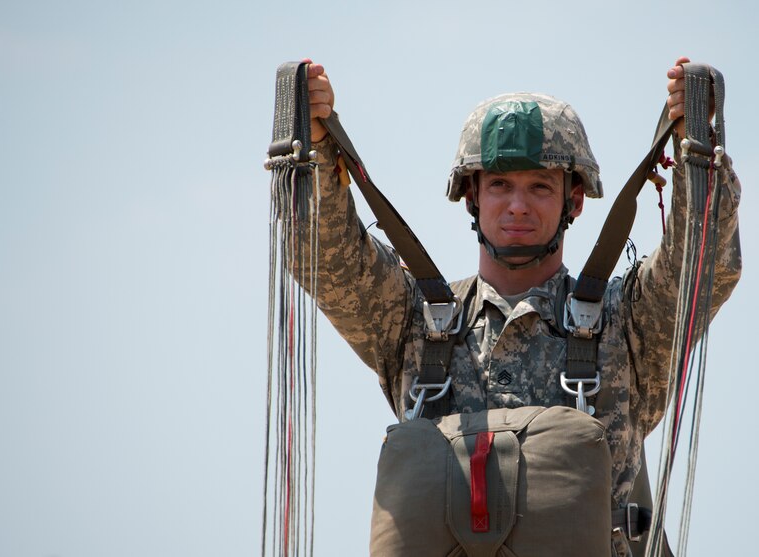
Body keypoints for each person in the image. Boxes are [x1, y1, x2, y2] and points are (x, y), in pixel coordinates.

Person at [299, 57, 741, 555]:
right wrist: (314, 146)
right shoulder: (413, 322)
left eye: (539, 186)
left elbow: (703, 265)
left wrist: (697, 152)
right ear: (472, 196)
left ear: (574, 201)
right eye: (500, 185)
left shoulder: (626, 326)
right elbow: (323, 254)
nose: (517, 206)